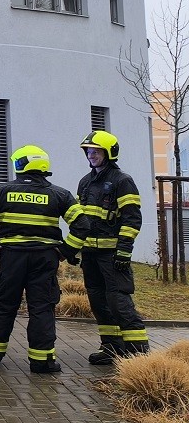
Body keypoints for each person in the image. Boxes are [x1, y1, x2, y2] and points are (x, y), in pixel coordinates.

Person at [0, 145, 83, 374]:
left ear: (21, 164)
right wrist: (65, 251)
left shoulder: (0, 191)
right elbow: (82, 225)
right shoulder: (60, 194)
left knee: (3, 305)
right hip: (45, 258)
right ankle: (42, 362)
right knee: (42, 308)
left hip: (11, 257)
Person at [74, 130, 149, 364]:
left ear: (109, 153)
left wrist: (124, 251)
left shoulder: (122, 181)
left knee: (119, 302)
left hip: (113, 254)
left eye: (96, 151)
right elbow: (80, 220)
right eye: (89, 151)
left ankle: (138, 353)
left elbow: (132, 219)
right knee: (98, 303)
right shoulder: (85, 182)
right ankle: (112, 348)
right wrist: (75, 248)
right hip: (90, 254)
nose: (91, 155)